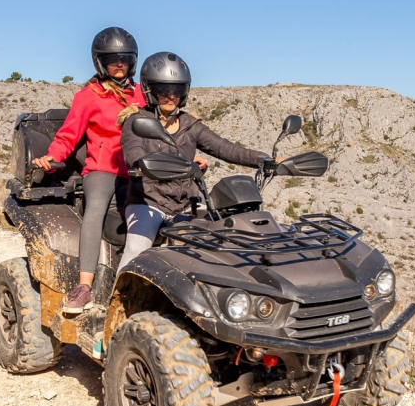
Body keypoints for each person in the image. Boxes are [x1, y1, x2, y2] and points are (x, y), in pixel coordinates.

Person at [117, 52, 278, 269]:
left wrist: (264, 160)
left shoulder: (189, 125)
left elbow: (224, 148)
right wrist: (141, 164)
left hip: (187, 203)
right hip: (148, 202)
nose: (170, 96)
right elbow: (133, 150)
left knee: (218, 243)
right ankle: (120, 298)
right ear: (150, 89)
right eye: (163, 90)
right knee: (137, 250)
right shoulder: (137, 121)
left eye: (177, 90)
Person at [32, 27, 145, 315]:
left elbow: (165, 131)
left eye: (125, 59)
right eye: (112, 59)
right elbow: (69, 135)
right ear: (100, 62)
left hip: (138, 170)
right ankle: (84, 287)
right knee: (96, 207)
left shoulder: (143, 95)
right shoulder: (89, 95)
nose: (119, 64)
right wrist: (51, 156)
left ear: (133, 61)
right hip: (102, 169)